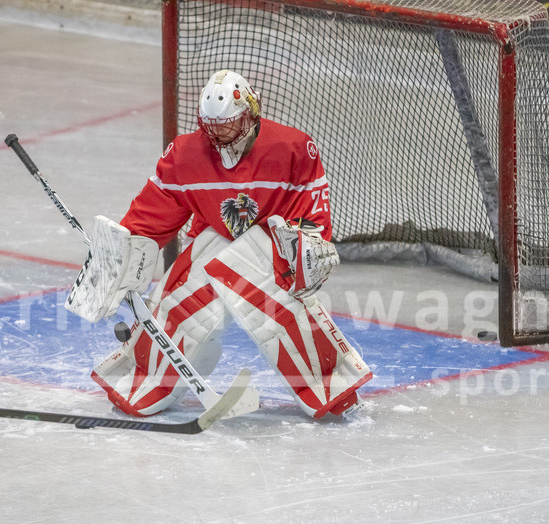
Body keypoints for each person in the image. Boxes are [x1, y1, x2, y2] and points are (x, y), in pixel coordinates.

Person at [68, 69, 372, 418]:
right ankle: (142, 380)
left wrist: (307, 247)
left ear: (251, 113)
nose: (219, 135)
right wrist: (116, 259)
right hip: (211, 243)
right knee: (178, 307)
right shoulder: (185, 155)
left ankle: (330, 384)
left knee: (279, 308)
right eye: (211, 127)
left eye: (228, 125)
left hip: (271, 250)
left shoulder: (292, 148)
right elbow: (151, 216)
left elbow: (311, 216)